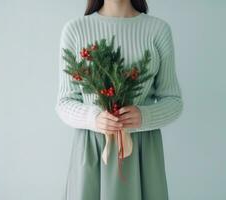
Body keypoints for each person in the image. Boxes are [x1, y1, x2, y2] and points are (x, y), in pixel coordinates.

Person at [55, 0, 184, 199]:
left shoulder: (158, 30)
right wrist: (94, 118)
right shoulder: (76, 30)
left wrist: (144, 115)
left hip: (143, 152)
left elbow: (173, 100)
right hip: (93, 150)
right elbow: (64, 102)